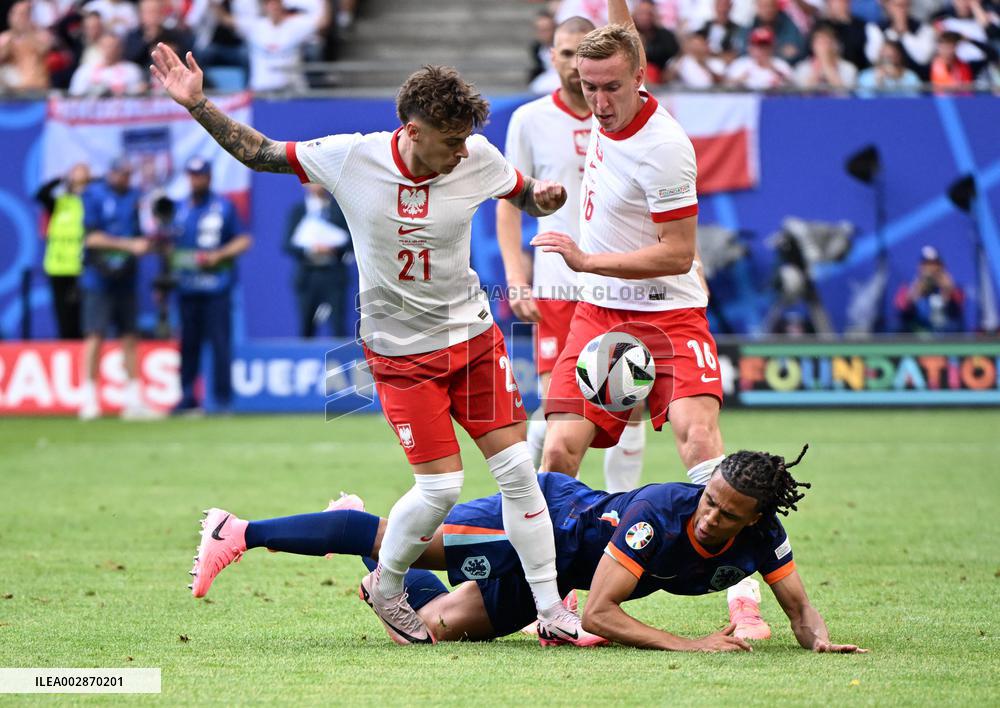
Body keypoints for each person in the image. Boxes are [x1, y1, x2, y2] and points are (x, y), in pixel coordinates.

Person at [150, 42, 597, 646]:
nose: (461, 152)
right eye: (450, 142)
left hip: (473, 340)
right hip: (400, 353)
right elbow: (258, 154)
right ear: (412, 131)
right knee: (440, 489)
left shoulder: (476, 155)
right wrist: (198, 104)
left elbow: (518, 190)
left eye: (467, 141)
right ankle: (386, 587)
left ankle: (552, 610)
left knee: (519, 472)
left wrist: (540, 196)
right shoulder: (351, 158)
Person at [530, 2, 771, 640]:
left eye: (611, 88)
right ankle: (550, 605)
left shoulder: (664, 148)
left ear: (641, 77)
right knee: (557, 448)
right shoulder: (614, 80)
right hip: (601, 315)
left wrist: (586, 259)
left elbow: (677, 253)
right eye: (588, 87)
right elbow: (623, 28)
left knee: (699, 441)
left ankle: (743, 600)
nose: (599, 102)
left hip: (670, 316)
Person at [189, 446, 867, 653]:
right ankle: (240, 530)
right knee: (398, 543)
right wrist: (691, 646)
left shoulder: (761, 538)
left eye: (727, 511)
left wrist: (818, 641)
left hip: (555, 573)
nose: (711, 513)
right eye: (711, 498)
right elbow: (598, 614)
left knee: (426, 633)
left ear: (757, 518)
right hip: (544, 523)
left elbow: (799, 606)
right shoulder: (661, 511)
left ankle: (375, 564)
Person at [499, 15, 648, 496]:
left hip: (617, 281)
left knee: (629, 398)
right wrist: (516, 277)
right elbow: (510, 204)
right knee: (557, 407)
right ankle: (555, 516)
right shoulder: (530, 120)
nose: (570, 62)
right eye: (563, 53)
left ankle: (618, 511)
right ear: (553, 57)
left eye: (579, 52)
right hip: (557, 284)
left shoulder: (627, 117)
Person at [170, 157, 252, 414]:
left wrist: (219, 255)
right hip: (187, 287)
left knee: (220, 344)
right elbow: (170, 246)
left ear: (209, 177)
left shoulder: (223, 206)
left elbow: (243, 240)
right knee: (188, 345)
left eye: (201, 175)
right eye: (192, 175)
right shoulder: (179, 208)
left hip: (217, 287)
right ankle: (186, 397)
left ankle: (222, 399)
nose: (196, 180)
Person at [78, 158, 157, 421]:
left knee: (130, 337)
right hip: (98, 278)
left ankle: (133, 400)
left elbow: (145, 234)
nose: (126, 179)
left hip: (126, 277)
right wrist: (128, 246)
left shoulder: (136, 198)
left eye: (128, 174)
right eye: (122, 174)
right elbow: (92, 237)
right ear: (110, 173)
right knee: (95, 335)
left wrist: (146, 239)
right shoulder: (94, 195)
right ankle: (89, 399)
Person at [284, 182, 353, 338]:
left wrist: (333, 248)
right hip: (308, 276)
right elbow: (287, 244)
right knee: (306, 327)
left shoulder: (340, 210)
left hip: (334, 275)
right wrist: (311, 248)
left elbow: (352, 242)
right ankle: (305, 360)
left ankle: (338, 361)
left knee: (338, 326)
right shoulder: (298, 211)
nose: (315, 184)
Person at [35, 163, 91, 340]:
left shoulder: (90, 202)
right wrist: (61, 179)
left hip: (82, 268)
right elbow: (40, 195)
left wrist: (89, 181)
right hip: (58, 267)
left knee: (83, 317)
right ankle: (67, 349)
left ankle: (82, 354)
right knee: (63, 316)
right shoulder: (58, 203)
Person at [894, 245, 965, 333]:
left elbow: (958, 307)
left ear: (941, 266)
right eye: (926, 264)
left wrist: (947, 290)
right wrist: (916, 291)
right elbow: (901, 307)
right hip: (917, 333)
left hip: (945, 334)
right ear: (920, 266)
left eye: (934, 264)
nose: (930, 268)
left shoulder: (951, 286)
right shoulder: (908, 287)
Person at [793, 21, 858, 90]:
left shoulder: (848, 68)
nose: (823, 46)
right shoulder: (802, 68)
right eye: (820, 42)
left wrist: (826, 64)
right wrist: (817, 68)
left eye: (827, 42)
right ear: (812, 45)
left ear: (835, 45)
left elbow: (844, 95)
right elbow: (804, 96)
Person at [725, 25, 793, 88]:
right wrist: (738, 81)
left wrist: (780, 76)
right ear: (750, 47)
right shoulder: (740, 65)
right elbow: (724, 88)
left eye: (765, 46)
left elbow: (794, 90)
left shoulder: (780, 65)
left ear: (772, 48)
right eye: (757, 45)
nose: (761, 50)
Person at [856, 38, 923, 95]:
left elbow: (914, 101)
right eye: (883, 56)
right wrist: (877, 83)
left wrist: (897, 80)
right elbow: (863, 102)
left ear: (899, 57)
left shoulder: (911, 76)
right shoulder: (865, 76)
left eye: (889, 57)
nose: (886, 61)